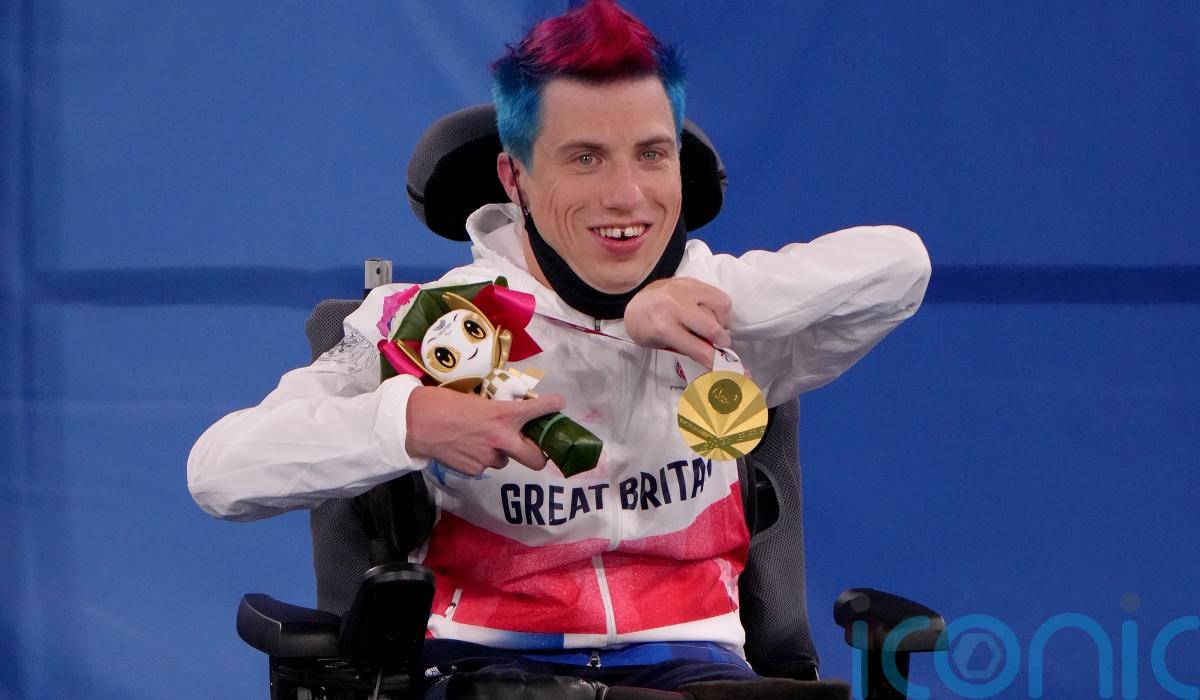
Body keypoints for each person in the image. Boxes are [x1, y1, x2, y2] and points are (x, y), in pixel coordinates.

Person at [187, 0, 931, 696]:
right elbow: (219, 473)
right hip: (487, 666)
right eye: (586, 159)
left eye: (651, 154)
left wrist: (697, 299)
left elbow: (902, 264)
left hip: (694, 667)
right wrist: (406, 420)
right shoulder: (431, 325)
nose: (627, 195)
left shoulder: (723, 308)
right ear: (515, 177)